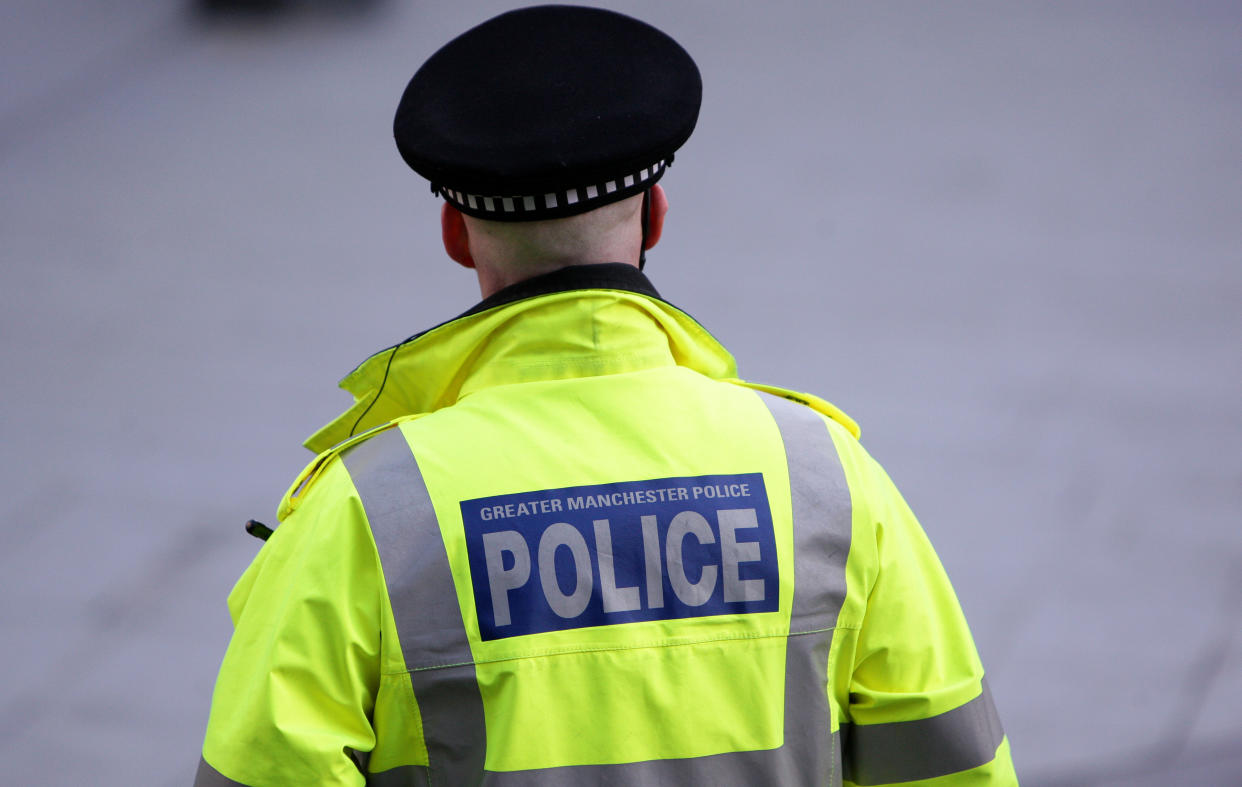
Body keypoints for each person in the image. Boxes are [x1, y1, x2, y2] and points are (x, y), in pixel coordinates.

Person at [196, 6, 1018, 786]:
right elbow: (954, 761)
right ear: (655, 215)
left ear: (454, 232)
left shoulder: (365, 517)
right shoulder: (825, 481)